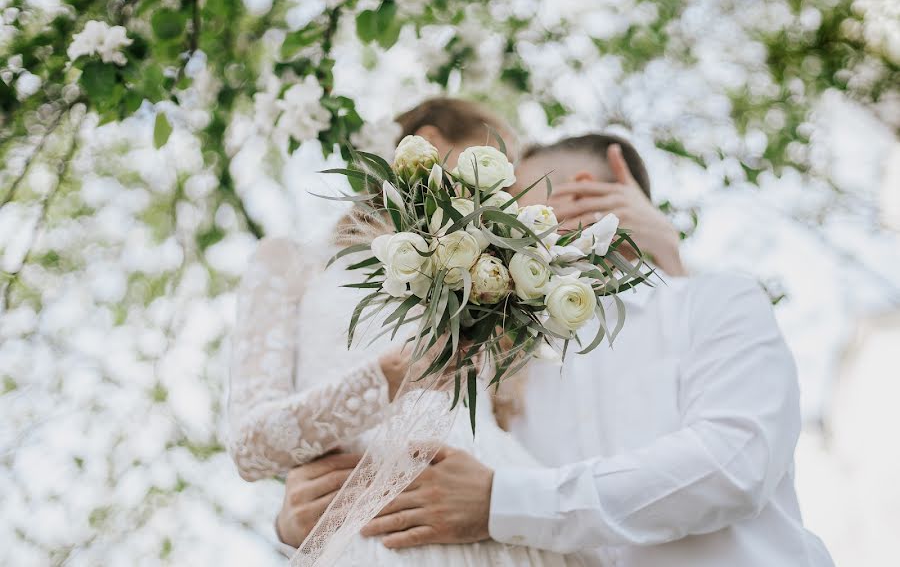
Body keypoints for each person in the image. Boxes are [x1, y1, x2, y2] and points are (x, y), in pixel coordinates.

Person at [277, 134, 835, 567]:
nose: (492, 225)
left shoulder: (712, 301)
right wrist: (301, 521)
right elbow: (419, 473)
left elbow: (732, 466)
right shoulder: (498, 365)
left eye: (512, 200)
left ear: (587, 190)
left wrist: (501, 502)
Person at [228, 100, 682, 565]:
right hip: (377, 530)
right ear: (432, 147)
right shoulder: (291, 262)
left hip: (488, 513)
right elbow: (250, 447)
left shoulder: (495, 295)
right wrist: (391, 375)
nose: (509, 205)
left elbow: (582, 420)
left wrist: (665, 251)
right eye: (501, 180)